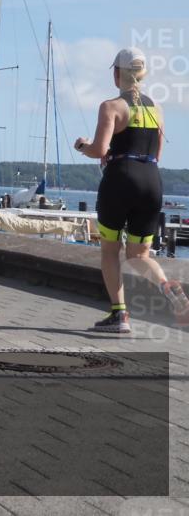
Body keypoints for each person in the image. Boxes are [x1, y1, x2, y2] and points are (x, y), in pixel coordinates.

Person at [74, 47, 188, 333]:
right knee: (140, 255)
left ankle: (119, 315)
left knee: (110, 250)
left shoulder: (111, 107)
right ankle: (166, 285)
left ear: (117, 74)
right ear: (142, 75)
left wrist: (82, 146)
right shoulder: (157, 109)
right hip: (151, 180)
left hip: (121, 179)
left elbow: (99, 149)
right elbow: (157, 153)